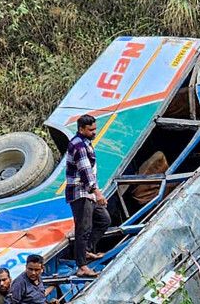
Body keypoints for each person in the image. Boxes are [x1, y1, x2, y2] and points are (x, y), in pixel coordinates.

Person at [65, 114, 111, 278]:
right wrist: (97, 192)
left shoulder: (85, 143)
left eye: (95, 128)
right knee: (83, 229)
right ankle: (82, 266)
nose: (94, 132)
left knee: (104, 220)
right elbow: (86, 172)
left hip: (88, 193)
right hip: (81, 193)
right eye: (91, 129)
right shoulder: (79, 146)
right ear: (81, 129)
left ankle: (86, 251)